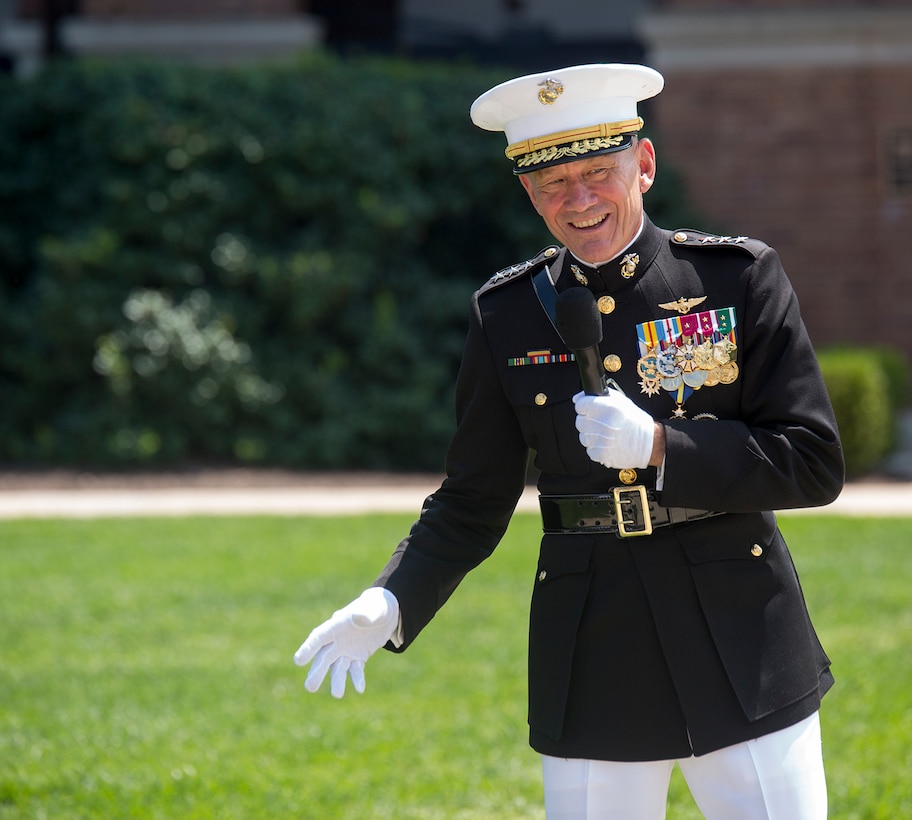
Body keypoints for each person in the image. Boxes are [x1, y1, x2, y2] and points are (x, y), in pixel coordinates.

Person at [294, 63, 844, 819]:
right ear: (528, 192)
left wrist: (660, 447)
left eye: (597, 172)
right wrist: (391, 601)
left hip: (741, 629)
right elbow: (473, 498)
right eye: (552, 183)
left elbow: (811, 462)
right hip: (593, 642)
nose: (578, 200)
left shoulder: (735, 279)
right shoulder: (508, 313)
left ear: (642, 165)